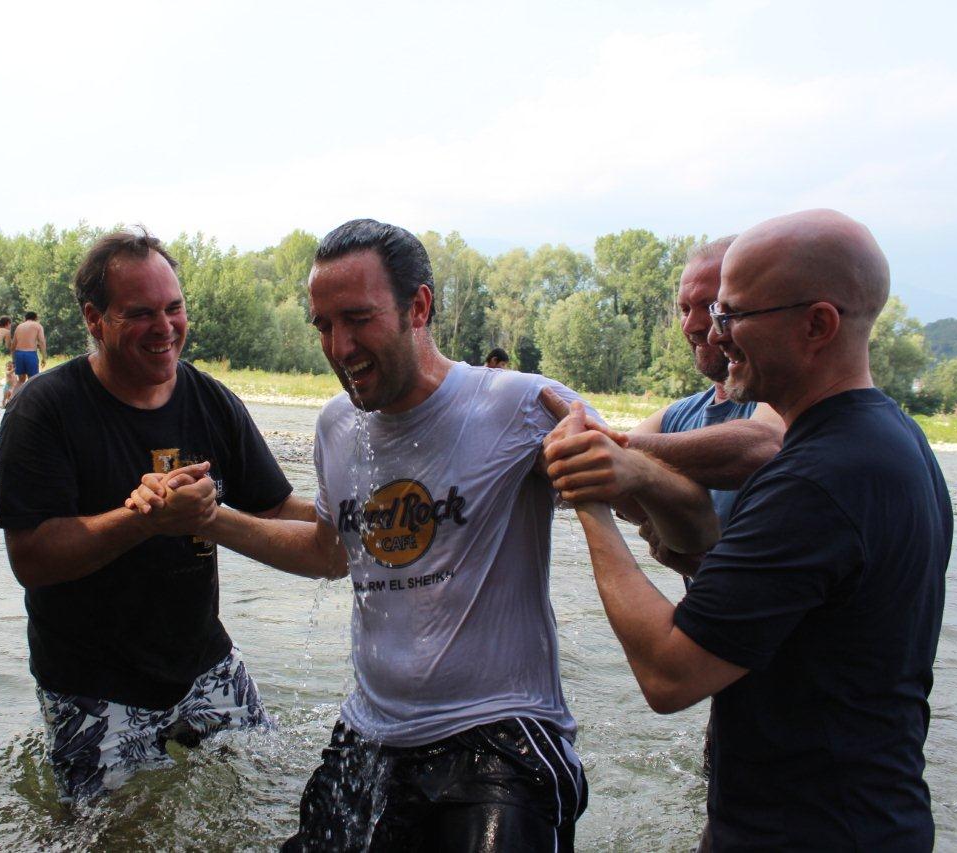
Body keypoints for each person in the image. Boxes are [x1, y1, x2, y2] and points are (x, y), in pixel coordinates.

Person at [132, 219, 718, 850]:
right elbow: (331, 551)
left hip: (503, 738)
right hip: (369, 738)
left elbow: (692, 527)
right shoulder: (336, 426)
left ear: (418, 307)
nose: (339, 346)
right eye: (323, 325)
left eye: (358, 319)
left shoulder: (523, 405)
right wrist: (209, 519)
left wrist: (631, 471)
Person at [544, 209, 952, 851]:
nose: (714, 334)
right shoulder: (895, 442)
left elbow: (669, 675)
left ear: (818, 325)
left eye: (732, 315)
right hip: (866, 816)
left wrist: (592, 502)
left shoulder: (815, 482)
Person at [0, 227, 316, 803]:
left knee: (267, 796)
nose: (165, 327)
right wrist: (143, 520)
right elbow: (32, 559)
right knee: (115, 832)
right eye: (141, 313)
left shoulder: (212, 400)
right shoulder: (44, 410)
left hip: (205, 665)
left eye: (174, 308)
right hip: (91, 683)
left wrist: (363, 511)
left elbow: (275, 509)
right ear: (95, 319)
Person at [623, 236, 784, 577]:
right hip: (721, 607)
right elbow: (617, 482)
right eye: (684, 309)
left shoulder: (782, 398)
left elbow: (763, 446)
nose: (691, 326)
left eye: (711, 307)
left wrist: (607, 448)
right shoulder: (681, 414)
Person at [11, 311, 46, 388]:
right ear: (36, 318)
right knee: (32, 380)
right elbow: (42, 342)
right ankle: (32, 396)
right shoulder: (38, 326)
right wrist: (44, 357)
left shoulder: (19, 327)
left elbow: (13, 345)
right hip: (30, 354)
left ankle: (14, 395)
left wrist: (13, 360)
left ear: (25, 318)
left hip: (19, 354)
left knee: (20, 381)